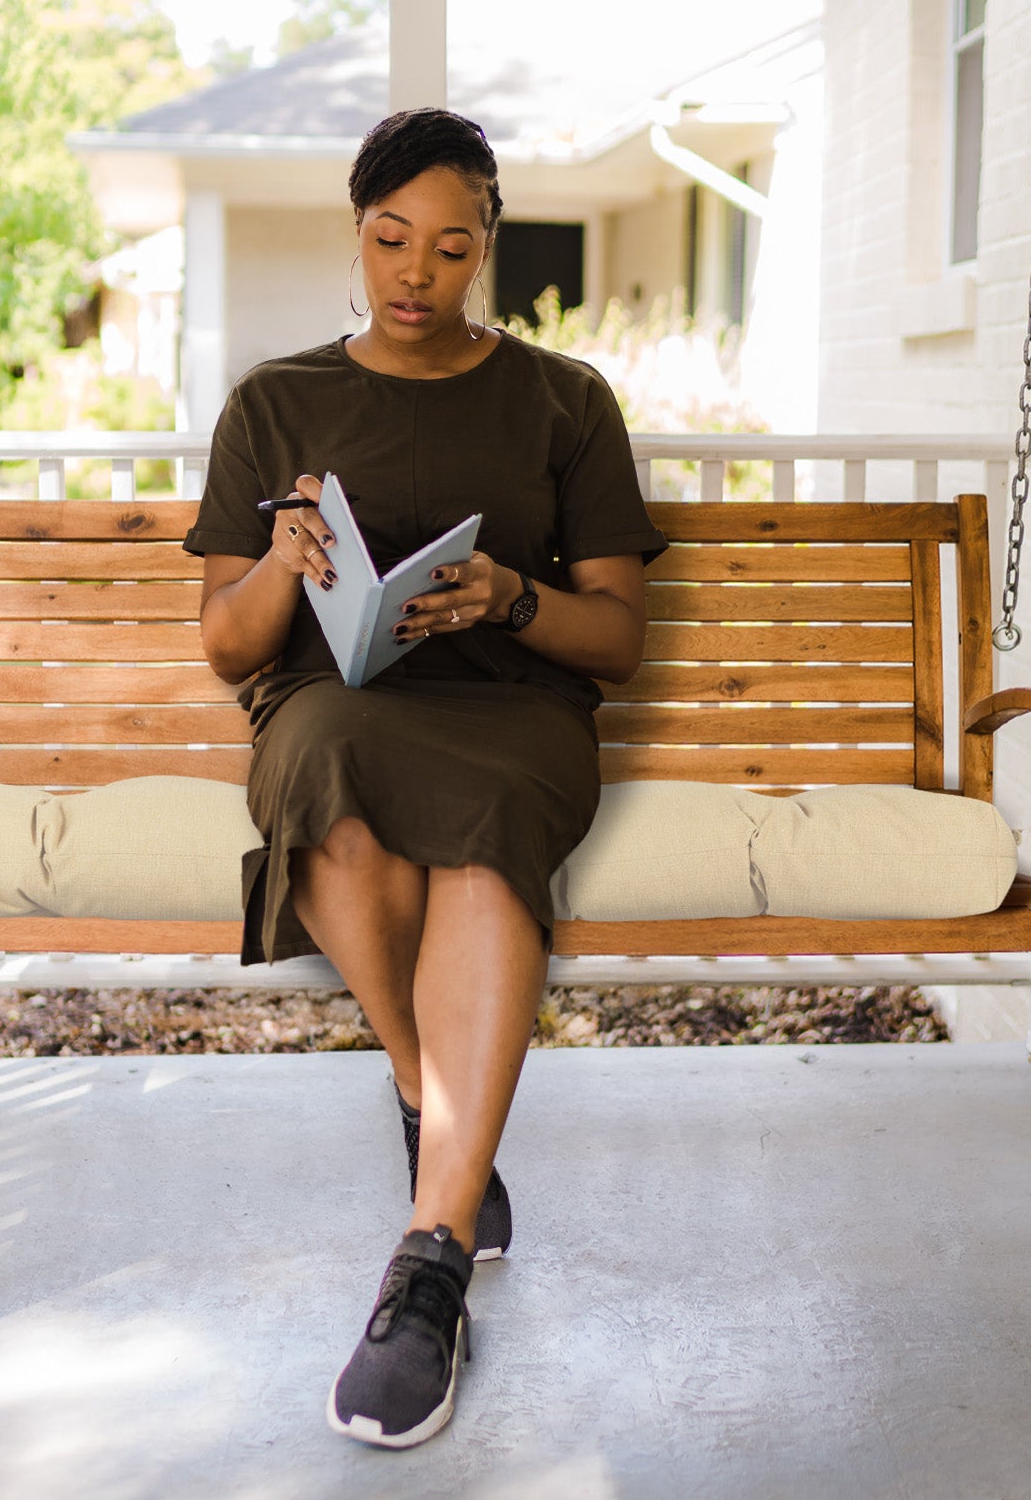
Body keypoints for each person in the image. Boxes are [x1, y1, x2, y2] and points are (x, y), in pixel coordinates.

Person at [183, 107, 667, 1448]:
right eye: (392, 239)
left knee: (490, 826)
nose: (416, 273)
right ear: (359, 232)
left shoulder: (563, 402)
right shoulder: (276, 401)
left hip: (512, 715)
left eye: (450, 249)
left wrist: (513, 599)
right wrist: (286, 562)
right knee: (325, 772)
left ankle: (432, 1256)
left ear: (486, 252)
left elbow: (616, 641)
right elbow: (230, 646)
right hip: (330, 702)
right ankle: (433, 1099)